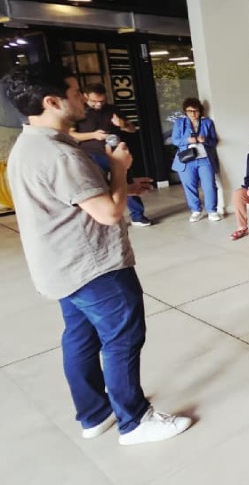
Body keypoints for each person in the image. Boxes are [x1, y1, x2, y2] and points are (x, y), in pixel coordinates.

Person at [3, 64, 192, 445]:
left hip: (60, 267)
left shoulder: (27, 146)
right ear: (51, 101)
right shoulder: (59, 154)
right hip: (93, 267)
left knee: (81, 337)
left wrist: (121, 186)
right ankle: (135, 421)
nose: (83, 100)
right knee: (123, 338)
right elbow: (107, 213)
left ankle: (95, 413)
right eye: (74, 94)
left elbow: (73, 200)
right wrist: (120, 170)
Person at [70, 82, 152, 227]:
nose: (98, 104)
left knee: (127, 182)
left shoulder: (112, 109)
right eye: (94, 101)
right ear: (85, 97)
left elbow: (132, 129)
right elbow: (71, 135)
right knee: (99, 187)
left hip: (116, 154)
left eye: (101, 101)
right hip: (92, 156)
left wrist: (122, 124)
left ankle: (138, 216)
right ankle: (101, 217)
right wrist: (94, 135)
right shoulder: (79, 113)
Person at [171, 97, 220, 222]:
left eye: (195, 111)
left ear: (200, 111)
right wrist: (187, 140)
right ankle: (196, 210)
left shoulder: (207, 122)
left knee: (209, 185)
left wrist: (206, 140)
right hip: (187, 160)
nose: (193, 114)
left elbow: (214, 141)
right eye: (189, 111)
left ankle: (212, 210)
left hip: (204, 159)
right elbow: (175, 140)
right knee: (190, 186)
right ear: (185, 111)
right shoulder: (179, 123)